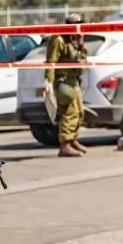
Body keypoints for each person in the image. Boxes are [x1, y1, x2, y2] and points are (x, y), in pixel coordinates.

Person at [46, 15, 88, 158]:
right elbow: (51, 61)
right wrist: (49, 83)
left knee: (80, 112)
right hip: (62, 81)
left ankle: (72, 139)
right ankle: (65, 145)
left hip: (73, 80)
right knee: (69, 112)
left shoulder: (75, 40)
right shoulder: (58, 39)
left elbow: (82, 57)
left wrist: (80, 42)